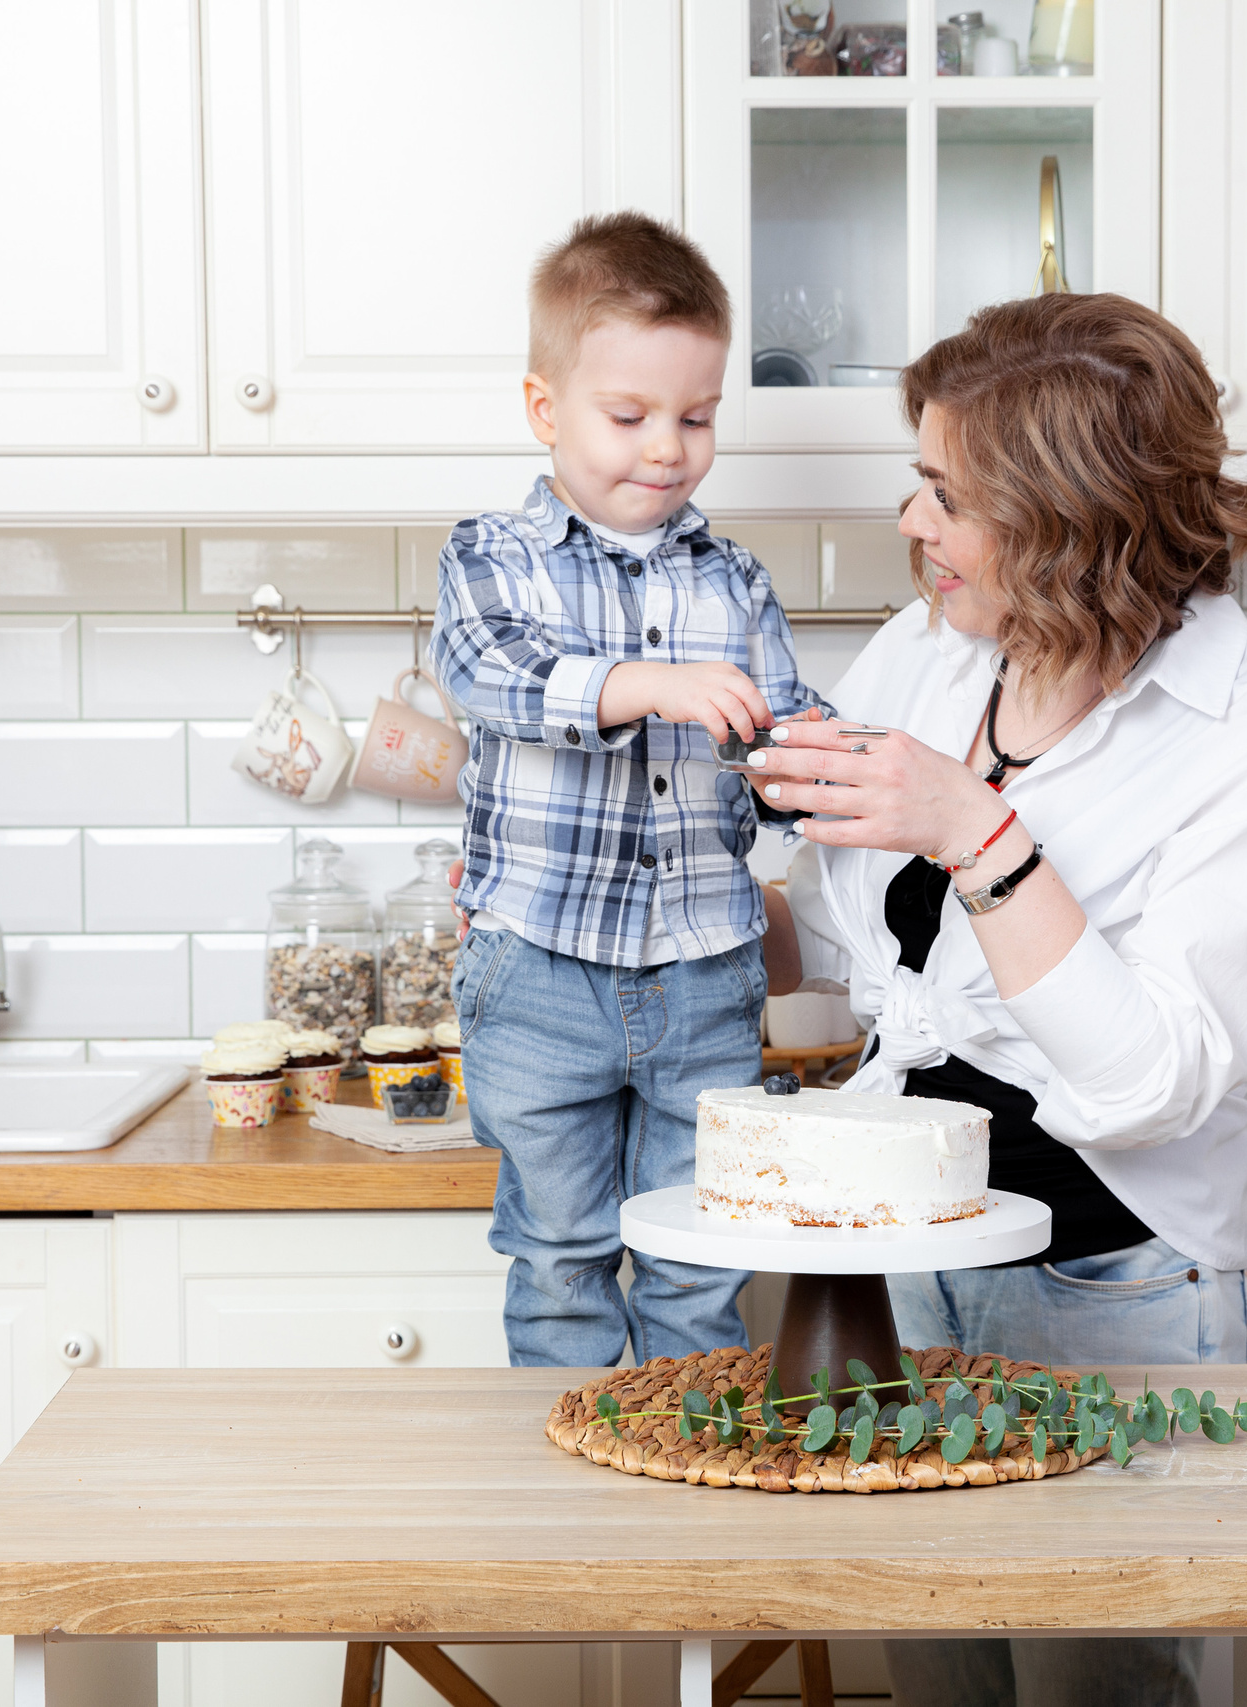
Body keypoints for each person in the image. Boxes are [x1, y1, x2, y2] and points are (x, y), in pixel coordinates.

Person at [746, 292, 1247, 1707]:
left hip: (1111, 1285)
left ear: (1070, 518)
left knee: (1108, 1684)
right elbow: (853, 960)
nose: (910, 520)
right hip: (901, 1262)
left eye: (948, 495)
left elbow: (1154, 1077)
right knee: (935, 1672)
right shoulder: (933, 652)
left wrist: (979, 832)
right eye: (918, 477)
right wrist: (652, 919)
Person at [435, 212, 829, 1368]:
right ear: (544, 409)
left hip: (706, 969)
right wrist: (649, 685)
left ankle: (679, 1498)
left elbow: (768, 756)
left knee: (700, 1260)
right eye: (630, 416)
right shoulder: (491, 554)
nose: (667, 447)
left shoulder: (737, 579)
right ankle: (572, 1521)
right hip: (537, 970)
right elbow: (491, 678)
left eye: (697, 418)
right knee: (557, 1259)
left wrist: (807, 761)